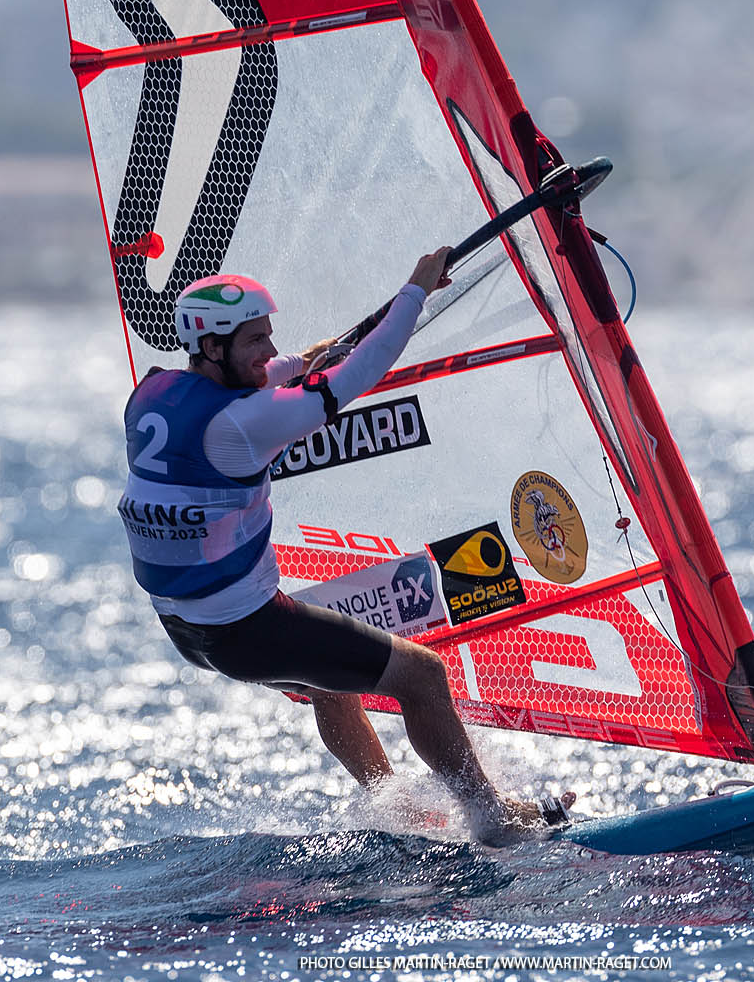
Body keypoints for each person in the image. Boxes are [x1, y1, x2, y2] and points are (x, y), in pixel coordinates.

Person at [118, 248, 572, 843]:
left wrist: (293, 364)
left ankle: (396, 812)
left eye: (268, 338)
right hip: (243, 628)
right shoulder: (241, 425)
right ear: (211, 348)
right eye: (254, 342)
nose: (266, 353)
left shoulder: (153, 393)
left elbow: (257, 382)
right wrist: (414, 291)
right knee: (423, 676)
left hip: (186, 629)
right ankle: (493, 819)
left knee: (333, 682)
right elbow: (358, 378)